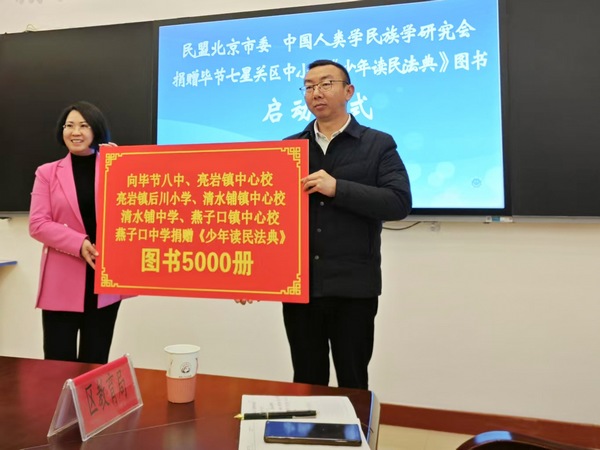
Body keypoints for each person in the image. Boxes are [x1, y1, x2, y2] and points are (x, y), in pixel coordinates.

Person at [282, 59, 412, 389]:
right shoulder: (289, 148)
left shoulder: (378, 144)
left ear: (349, 91)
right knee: (306, 380)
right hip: (302, 290)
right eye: (309, 86)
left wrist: (338, 188)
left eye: (326, 84)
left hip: (353, 289)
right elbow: (272, 218)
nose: (316, 92)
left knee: (352, 381)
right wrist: (255, 279)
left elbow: (398, 202)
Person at [29, 101, 127, 364]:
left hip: (103, 279)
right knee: (57, 363)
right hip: (61, 280)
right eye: (69, 125)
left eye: (84, 125)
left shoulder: (115, 167)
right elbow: (37, 223)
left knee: (95, 362)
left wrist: (123, 166)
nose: (75, 132)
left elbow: (132, 212)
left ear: (96, 130)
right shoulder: (47, 173)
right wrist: (78, 243)